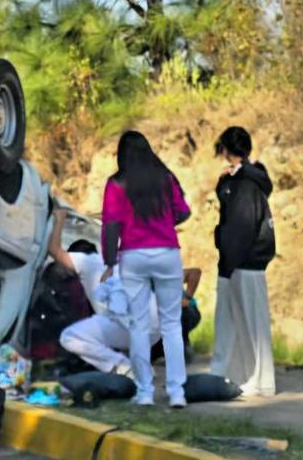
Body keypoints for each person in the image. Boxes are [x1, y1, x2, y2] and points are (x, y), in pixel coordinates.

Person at [51, 210, 201, 375]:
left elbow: (55, 250)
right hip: (156, 330)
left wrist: (59, 219)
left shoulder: (87, 262)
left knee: (71, 336)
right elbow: (194, 272)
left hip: (138, 325)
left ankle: (127, 368)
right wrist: (186, 299)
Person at [102, 131, 190, 408]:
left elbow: (111, 226)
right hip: (166, 253)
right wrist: (164, 221)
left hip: (133, 256)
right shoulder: (166, 178)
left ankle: (145, 393)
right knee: (172, 325)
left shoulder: (116, 183)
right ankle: (177, 393)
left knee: (139, 326)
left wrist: (109, 261)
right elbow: (184, 212)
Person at [210, 127, 277, 397]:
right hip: (239, 260)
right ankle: (244, 375)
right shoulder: (244, 180)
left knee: (253, 324)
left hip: (245, 260)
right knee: (241, 321)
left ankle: (261, 380)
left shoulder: (246, 183)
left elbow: (241, 225)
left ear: (226, 149)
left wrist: (230, 256)